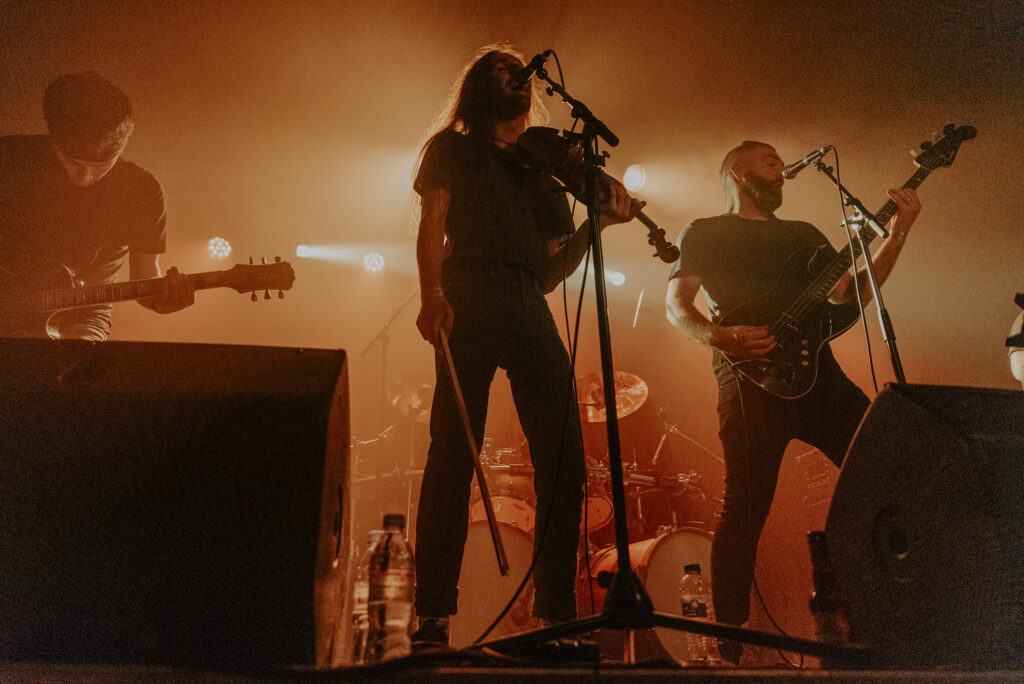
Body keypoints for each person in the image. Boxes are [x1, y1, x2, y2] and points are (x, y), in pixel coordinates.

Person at [411, 44, 643, 644]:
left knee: (564, 457)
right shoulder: (453, 148)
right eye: (501, 70)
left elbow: (547, 273)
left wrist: (596, 226)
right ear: (478, 87)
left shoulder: (542, 168)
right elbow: (432, 222)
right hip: (467, 292)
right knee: (452, 453)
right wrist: (431, 293)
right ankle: (433, 614)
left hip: (526, 301)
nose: (515, 78)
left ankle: (555, 613)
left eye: (519, 73)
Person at [665, 140, 920, 662]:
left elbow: (854, 292)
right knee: (745, 508)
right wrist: (721, 336)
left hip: (821, 379)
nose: (781, 172)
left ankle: (894, 626)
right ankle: (728, 648)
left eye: (782, 165)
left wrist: (897, 234)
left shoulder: (804, 235)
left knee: (889, 477)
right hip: (750, 380)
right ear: (738, 169)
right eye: (769, 163)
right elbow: (677, 305)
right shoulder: (706, 231)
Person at [0, 71, 194, 341]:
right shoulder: (9, 160)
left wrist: (163, 302)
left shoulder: (142, 191)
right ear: (54, 140)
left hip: (81, 320)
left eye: (102, 166)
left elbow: (146, 276)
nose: (85, 177)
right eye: (74, 162)